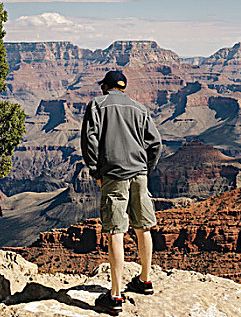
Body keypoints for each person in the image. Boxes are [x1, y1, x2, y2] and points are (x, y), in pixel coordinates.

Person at [80, 70, 162, 315]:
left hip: (113, 175)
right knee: (143, 226)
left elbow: (89, 141)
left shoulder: (97, 105)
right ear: (123, 88)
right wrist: (146, 168)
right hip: (139, 173)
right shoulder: (139, 108)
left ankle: (115, 296)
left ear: (105, 87)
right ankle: (145, 280)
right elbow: (155, 143)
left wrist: (96, 173)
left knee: (115, 230)